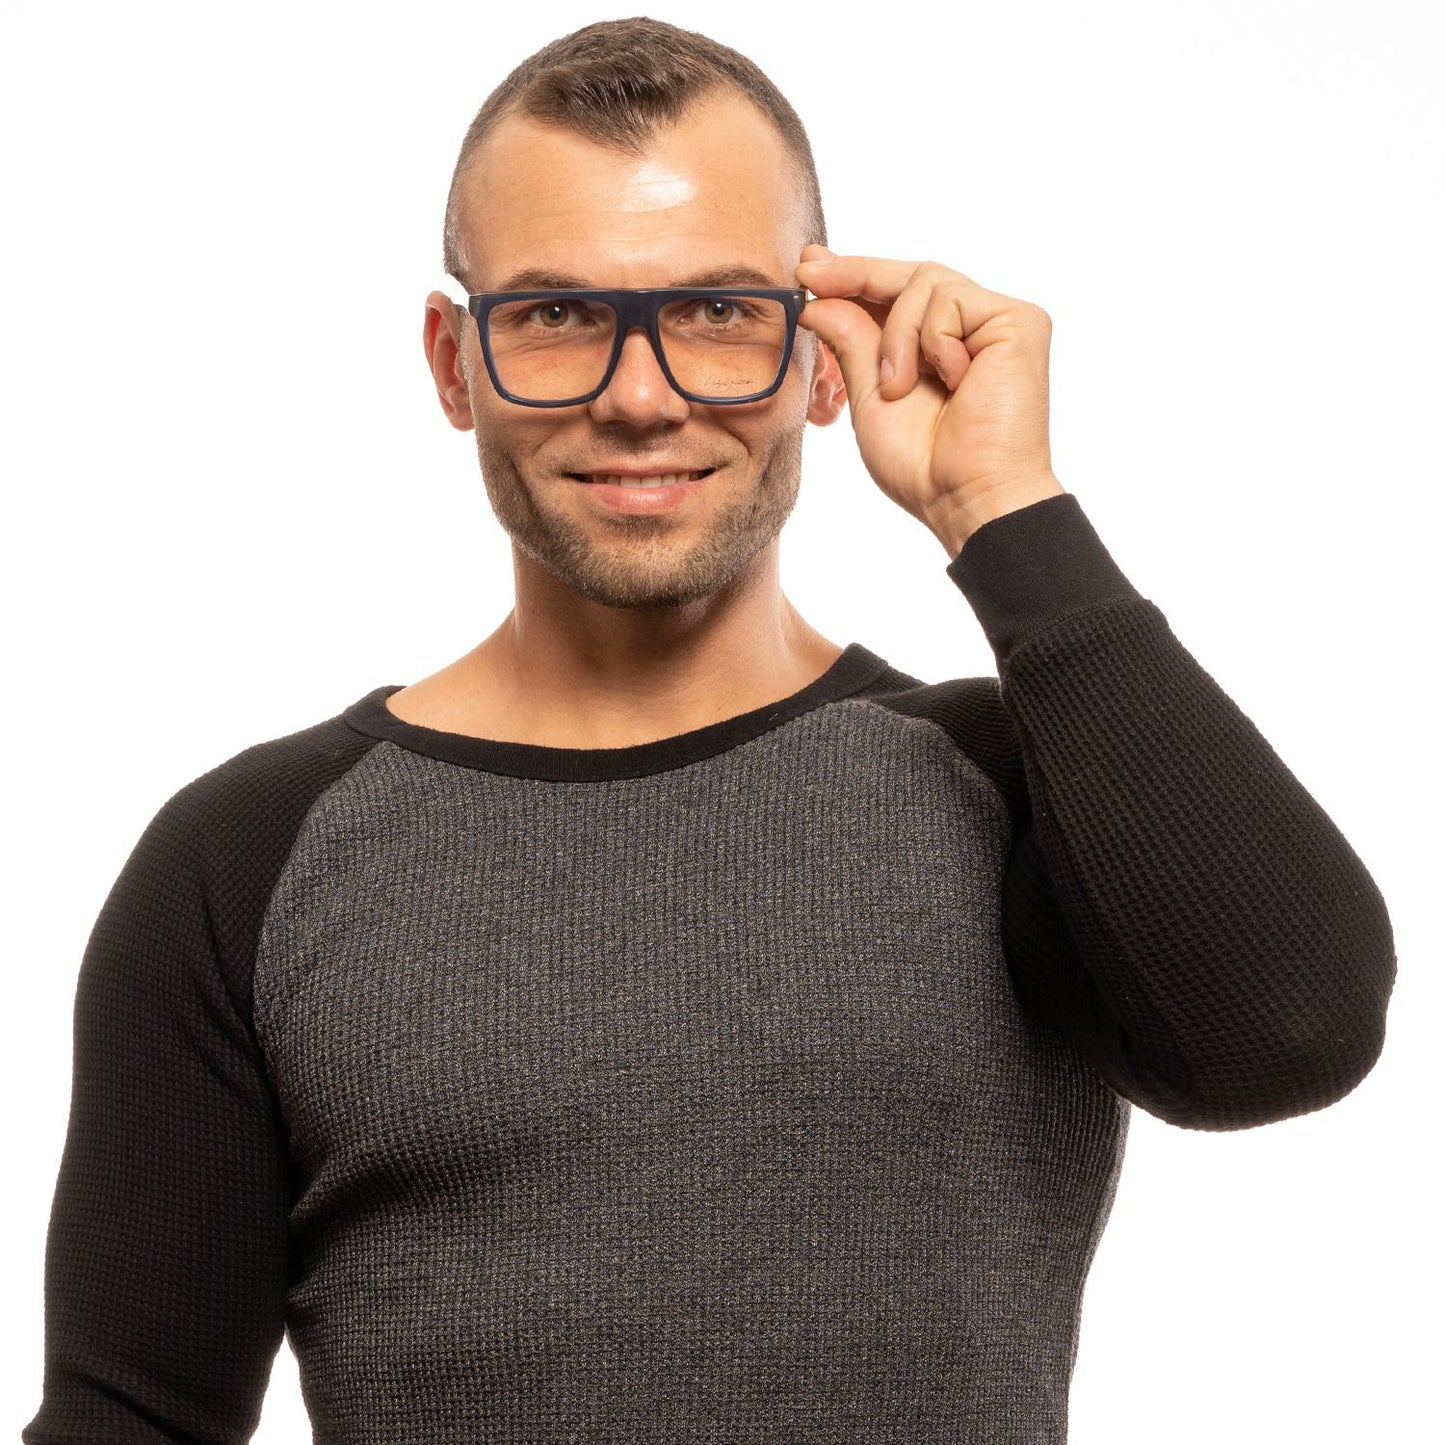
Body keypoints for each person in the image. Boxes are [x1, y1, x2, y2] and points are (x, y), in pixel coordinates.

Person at [23, 16, 1395, 1444]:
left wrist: (1007, 515)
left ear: (819, 358)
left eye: (715, 313)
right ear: (451, 360)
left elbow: (1288, 1032)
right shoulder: (244, 858)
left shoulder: (1013, 786)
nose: (638, 394)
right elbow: (130, 1417)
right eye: (554, 315)